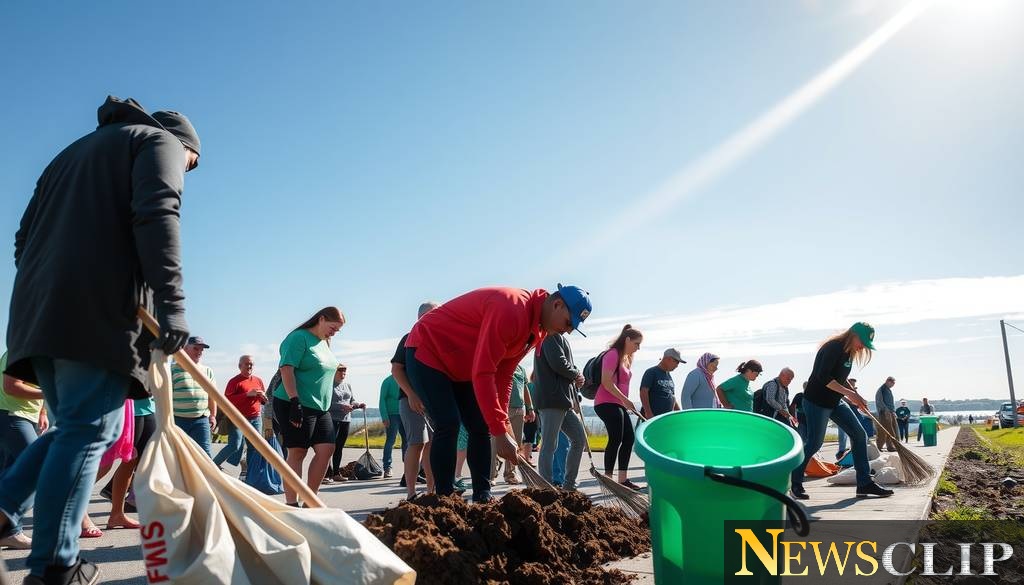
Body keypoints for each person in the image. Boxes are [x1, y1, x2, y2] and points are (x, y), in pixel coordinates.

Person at [1, 96, 200, 585]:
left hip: (38, 312)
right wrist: (171, 306)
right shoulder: (160, 142)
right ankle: (55, 565)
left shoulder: (69, 154)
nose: (188, 171)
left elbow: (23, 241)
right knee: (90, 432)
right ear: (187, 144)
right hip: (96, 313)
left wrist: (53, 283)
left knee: (77, 429)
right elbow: (157, 216)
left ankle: (5, 510)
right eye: (192, 165)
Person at [404, 284, 592, 503]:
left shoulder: (536, 329)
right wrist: (500, 433)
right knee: (449, 423)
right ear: (557, 304)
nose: (567, 331)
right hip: (429, 351)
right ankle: (444, 499)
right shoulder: (512, 310)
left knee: (480, 425)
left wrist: (502, 425)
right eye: (569, 323)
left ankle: (483, 495)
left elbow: (504, 374)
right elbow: (484, 372)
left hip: (461, 365)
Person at [790, 323, 893, 500]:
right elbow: (824, 377)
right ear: (853, 335)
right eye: (862, 342)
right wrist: (850, 394)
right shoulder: (833, 348)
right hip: (816, 402)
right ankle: (795, 482)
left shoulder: (848, 353)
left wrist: (857, 396)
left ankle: (864, 483)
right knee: (814, 443)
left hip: (834, 402)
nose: (863, 347)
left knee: (859, 435)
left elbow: (841, 379)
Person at [272, 307, 345, 507]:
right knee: (298, 452)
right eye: (333, 328)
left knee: (327, 449)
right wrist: (295, 400)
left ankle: (309, 500)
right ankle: (291, 503)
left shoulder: (325, 342)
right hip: (293, 403)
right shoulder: (298, 338)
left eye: (337, 331)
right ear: (321, 319)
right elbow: (286, 368)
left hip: (320, 407)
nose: (334, 333)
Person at [0, 352, 47, 550]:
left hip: (23, 416)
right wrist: (50, 392)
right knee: (38, 468)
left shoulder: (40, 349)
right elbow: (11, 386)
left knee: (8, 473)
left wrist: (42, 411)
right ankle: (8, 530)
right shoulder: (21, 348)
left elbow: (40, 382)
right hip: (12, 415)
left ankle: (9, 532)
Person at [392, 302, 440, 498]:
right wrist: (411, 394)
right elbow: (396, 369)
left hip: (434, 401)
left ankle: (431, 490)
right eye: (432, 314)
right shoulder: (408, 338)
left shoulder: (439, 340)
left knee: (432, 445)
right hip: (411, 400)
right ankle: (411, 493)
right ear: (421, 317)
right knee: (417, 443)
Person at [533, 330, 587, 490]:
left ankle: (569, 485)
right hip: (551, 399)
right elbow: (558, 363)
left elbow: (565, 365)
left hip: (564, 400)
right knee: (549, 444)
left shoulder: (559, 338)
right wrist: (575, 373)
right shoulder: (550, 336)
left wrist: (576, 375)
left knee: (579, 439)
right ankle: (546, 488)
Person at [594, 324, 644, 491]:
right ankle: (609, 479)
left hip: (618, 403)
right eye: (636, 344)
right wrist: (626, 400)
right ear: (627, 339)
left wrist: (625, 402)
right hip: (605, 402)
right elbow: (606, 382)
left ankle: (622, 479)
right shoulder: (612, 354)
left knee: (629, 438)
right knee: (616, 438)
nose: (638, 348)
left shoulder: (626, 358)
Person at [215, 355, 266, 473]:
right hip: (238, 418)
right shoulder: (234, 382)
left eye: (251, 364)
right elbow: (227, 400)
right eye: (247, 364)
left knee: (255, 447)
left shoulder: (258, 380)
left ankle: (250, 475)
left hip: (256, 417)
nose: (249, 366)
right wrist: (247, 394)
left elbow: (262, 400)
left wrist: (263, 398)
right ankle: (213, 464)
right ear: (240, 366)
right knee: (235, 445)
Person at [172, 337, 217, 457]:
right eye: (196, 348)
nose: (199, 352)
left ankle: (206, 477)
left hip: (201, 420)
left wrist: (213, 416)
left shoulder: (207, 371)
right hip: (178, 420)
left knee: (205, 456)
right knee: (179, 455)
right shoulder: (173, 369)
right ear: (185, 349)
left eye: (201, 350)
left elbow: (212, 396)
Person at [491, 364, 531, 484]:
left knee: (516, 443)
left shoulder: (521, 369)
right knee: (494, 442)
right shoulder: (499, 364)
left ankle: (510, 474)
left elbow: (525, 388)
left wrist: (530, 408)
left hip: (519, 409)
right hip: (502, 407)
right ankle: (491, 475)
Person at [326, 365, 364, 483]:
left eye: (345, 371)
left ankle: (336, 473)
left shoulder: (347, 385)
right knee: (329, 447)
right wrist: (341, 406)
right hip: (332, 418)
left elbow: (352, 400)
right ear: (334, 371)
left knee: (339, 447)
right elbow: (326, 403)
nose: (344, 373)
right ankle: (326, 474)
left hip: (346, 419)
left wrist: (357, 405)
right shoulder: (328, 385)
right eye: (341, 370)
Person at [639, 349, 686, 418]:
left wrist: (680, 415)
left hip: (665, 419)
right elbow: (643, 392)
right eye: (676, 362)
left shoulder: (669, 376)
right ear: (668, 359)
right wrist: (648, 413)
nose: (677, 365)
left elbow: (671, 396)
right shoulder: (651, 372)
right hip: (653, 418)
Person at [378, 373, 406, 480]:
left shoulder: (405, 379)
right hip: (391, 415)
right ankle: (387, 467)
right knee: (390, 440)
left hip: (405, 414)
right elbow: (382, 400)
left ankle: (408, 467)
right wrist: (384, 416)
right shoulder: (387, 381)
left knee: (408, 441)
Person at [875, 377, 898, 452]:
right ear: (888, 381)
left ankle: (890, 446)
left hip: (890, 412)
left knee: (892, 430)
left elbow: (890, 402)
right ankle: (878, 447)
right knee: (883, 430)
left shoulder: (888, 389)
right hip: (884, 412)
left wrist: (893, 412)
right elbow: (879, 401)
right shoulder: (882, 389)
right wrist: (886, 410)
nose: (893, 385)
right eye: (892, 383)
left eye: (894, 384)